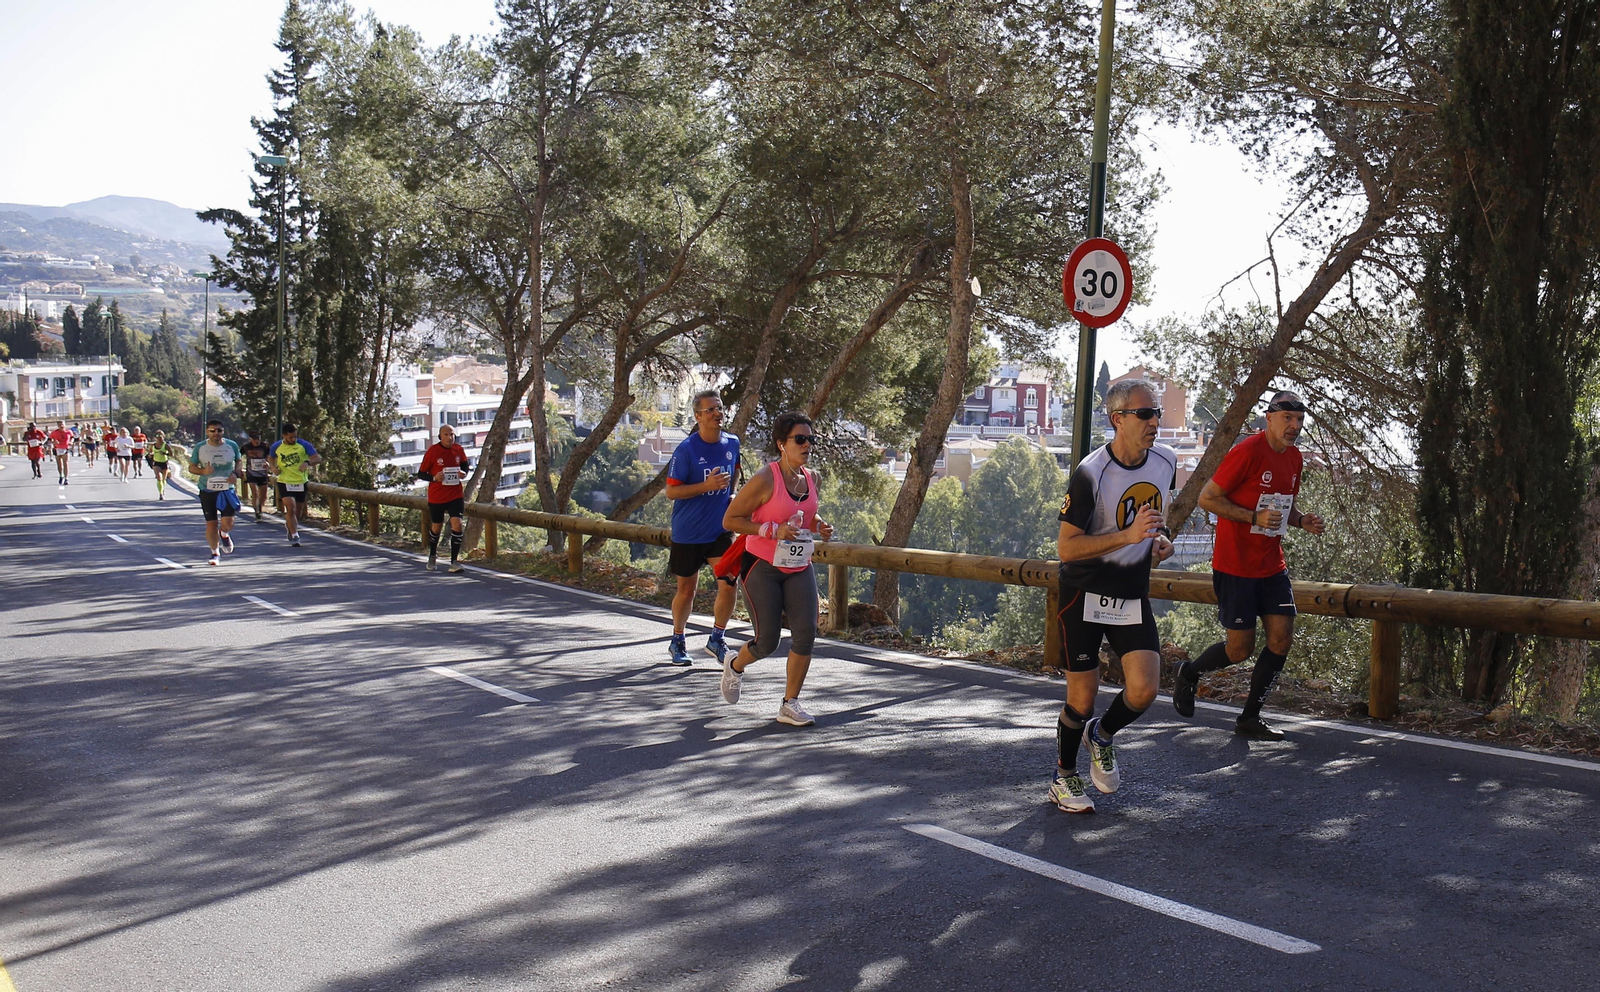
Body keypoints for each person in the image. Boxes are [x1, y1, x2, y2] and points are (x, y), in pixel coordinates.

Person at [1048, 378, 1177, 814]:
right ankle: (1063, 777)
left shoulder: (1166, 460)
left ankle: (1100, 736)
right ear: (1117, 419)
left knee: (1144, 690)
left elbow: (1154, 517)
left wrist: (1159, 538)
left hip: (1129, 593)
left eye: (1156, 412)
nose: (1154, 421)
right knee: (1081, 698)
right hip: (1083, 592)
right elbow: (1066, 548)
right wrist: (1127, 536)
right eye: (1145, 414)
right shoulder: (1090, 472)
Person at [1173, 390, 1326, 740]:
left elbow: (1285, 509)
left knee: (1281, 638)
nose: (1294, 426)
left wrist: (1302, 522)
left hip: (1272, 566)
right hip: (1235, 566)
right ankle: (1190, 672)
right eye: (1287, 419)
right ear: (1269, 418)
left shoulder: (1294, 458)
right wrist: (1252, 516)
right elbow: (1207, 498)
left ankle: (1250, 717)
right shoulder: (1246, 452)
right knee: (1239, 649)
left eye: (1300, 420)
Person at [718, 411, 835, 727]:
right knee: (767, 641)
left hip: (798, 566)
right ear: (782, 444)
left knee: (806, 634)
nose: (807, 444)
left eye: (810, 439)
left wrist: (819, 525)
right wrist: (771, 530)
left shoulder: (812, 478)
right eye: (800, 439)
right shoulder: (765, 479)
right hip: (762, 566)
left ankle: (790, 704)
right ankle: (735, 664)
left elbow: (805, 515)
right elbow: (731, 520)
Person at [663, 391, 742, 667]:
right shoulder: (686, 450)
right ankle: (677, 640)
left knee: (730, 584)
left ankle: (716, 638)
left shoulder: (733, 442)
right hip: (688, 532)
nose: (717, 414)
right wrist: (706, 487)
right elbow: (671, 492)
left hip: (720, 530)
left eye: (719, 409)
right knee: (687, 591)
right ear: (698, 417)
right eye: (710, 410)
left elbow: (735, 474)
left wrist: (731, 498)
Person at [413, 424, 473, 573]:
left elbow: (466, 467)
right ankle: (432, 555)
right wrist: (434, 478)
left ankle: (454, 561)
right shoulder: (433, 451)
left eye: (452, 434)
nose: (449, 437)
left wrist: (464, 473)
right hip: (437, 496)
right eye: (446, 435)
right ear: (440, 436)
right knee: (437, 526)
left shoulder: (459, 450)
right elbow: (421, 474)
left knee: (457, 524)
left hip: (455, 495)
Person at [188, 420, 242, 566]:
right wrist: (203, 471)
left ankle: (224, 534)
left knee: (228, 523)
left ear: (222, 432)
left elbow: (239, 461)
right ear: (207, 432)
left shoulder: (231, 445)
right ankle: (215, 553)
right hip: (207, 490)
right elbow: (191, 467)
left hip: (226, 490)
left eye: (219, 430)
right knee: (211, 524)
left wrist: (236, 475)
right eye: (212, 431)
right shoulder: (200, 447)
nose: (216, 433)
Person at [269, 422, 321, 547]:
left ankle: (290, 524)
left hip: (300, 482)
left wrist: (308, 462)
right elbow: (270, 457)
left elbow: (317, 458)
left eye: (295, 436)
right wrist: (273, 468)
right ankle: (294, 535)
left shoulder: (303, 445)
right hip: (284, 481)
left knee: (297, 511)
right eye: (290, 437)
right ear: (284, 436)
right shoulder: (276, 446)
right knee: (290, 507)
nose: (293, 439)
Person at [240, 430, 273, 522]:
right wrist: (239, 467)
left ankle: (260, 508)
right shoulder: (246, 447)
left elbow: (271, 457)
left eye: (258, 439)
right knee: (255, 492)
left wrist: (268, 464)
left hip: (262, 473)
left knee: (263, 495)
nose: (256, 441)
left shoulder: (265, 447)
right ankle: (257, 512)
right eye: (254, 439)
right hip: (251, 472)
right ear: (250, 439)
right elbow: (238, 456)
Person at [148, 430, 173, 500]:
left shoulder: (166, 445)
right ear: (155, 437)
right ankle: (161, 493)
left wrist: (165, 453)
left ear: (163, 436)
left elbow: (172, 454)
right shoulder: (153, 445)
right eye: (157, 436)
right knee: (159, 477)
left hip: (164, 463)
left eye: (161, 436)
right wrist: (151, 455)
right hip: (156, 463)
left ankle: (162, 489)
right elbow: (150, 453)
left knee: (163, 479)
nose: (159, 438)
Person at [48, 420, 73, 485]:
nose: (61, 426)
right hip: (57, 449)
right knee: (59, 464)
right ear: (57, 426)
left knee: (66, 463)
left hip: (65, 448)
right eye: (59, 425)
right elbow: (49, 440)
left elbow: (72, 437)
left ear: (64, 424)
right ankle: (61, 475)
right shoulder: (54, 432)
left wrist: (71, 442)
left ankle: (66, 478)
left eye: (62, 424)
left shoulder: (68, 432)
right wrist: (53, 442)